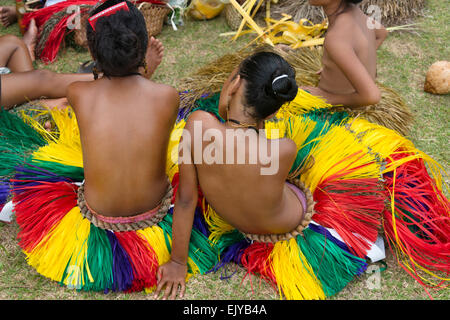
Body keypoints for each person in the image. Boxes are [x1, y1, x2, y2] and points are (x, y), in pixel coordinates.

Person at [154, 51, 307, 300]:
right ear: (270, 114)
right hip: (284, 222)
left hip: (236, 218)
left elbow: (185, 200)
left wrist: (178, 263)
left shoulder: (198, 123)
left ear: (234, 83)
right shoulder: (284, 148)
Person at [66, 0, 178, 218]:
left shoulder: (77, 93)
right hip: (153, 211)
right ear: (143, 46)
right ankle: (143, 74)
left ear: (92, 51)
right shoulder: (167, 96)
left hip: (99, 214)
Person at [300, 0, 388, 108]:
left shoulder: (336, 38)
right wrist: (347, 62)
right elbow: (381, 33)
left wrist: (326, 97)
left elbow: (372, 96)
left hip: (339, 108)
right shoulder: (354, 12)